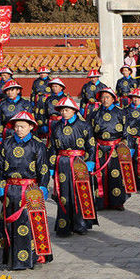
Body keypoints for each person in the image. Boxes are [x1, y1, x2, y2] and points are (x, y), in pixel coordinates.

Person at [0, 111, 52, 270]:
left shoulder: (38, 145)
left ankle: (31, 257)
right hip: (10, 189)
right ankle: (10, 257)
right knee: (10, 224)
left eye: (23, 126)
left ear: (31, 127)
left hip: (30, 191)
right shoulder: (6, 143)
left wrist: (43, 186)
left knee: (29, 224)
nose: (19, 129)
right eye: (17, 126)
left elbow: (44, 169)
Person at [49, 96, 98, 237]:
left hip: (79, 162)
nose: (64, 112)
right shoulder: (56, 126)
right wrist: (52, 166)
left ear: (74, 111)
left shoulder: (84, 125)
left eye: (67, 110)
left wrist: (90, 162)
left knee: (80, 193)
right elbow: (52, 147)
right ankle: (64, 225)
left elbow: (91, 145)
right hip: (62, 162)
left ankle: (81, 224)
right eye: (62, 110)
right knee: (63, 194)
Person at [90, 87, 132, 211]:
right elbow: (90, 134)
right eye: (103, 97)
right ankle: (100, 202)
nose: (105, 99)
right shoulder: (94, 114)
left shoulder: (121, 112)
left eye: (107, 97)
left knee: (116, 174)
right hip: (99, 148)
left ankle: (117, 202)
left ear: (113, 99)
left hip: (116, 147)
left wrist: (126, 148)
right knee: (100, 175)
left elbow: (126, 132)